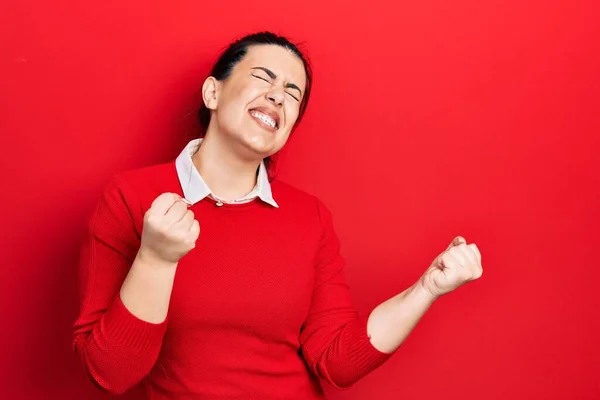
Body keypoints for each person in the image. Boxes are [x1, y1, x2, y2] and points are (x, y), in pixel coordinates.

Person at [72, 31, 483, 399]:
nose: (277, 95)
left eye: (292, 93)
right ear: (212, 94)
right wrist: (156, 258)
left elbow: (338, 362)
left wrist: (427, 288)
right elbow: (112, 373)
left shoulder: (311, 217)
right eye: (263, 77)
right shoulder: (131, 196)